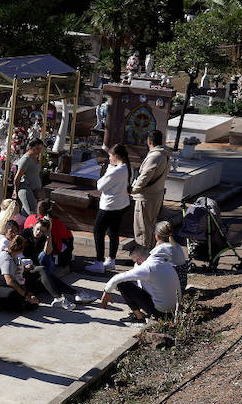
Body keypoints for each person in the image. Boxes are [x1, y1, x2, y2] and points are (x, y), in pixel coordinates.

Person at [99, 243, 180, 324]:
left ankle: (139, 317)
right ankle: (142, 313)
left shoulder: (147, 267)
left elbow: (117, 278)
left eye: (135, 261)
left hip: (160, 313)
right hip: (175, 309)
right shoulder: (163, 262)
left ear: (138, 259)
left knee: (122, 284)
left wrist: (107, 291)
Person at [87, 143, 131, 274]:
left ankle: (99, 262)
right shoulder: (127, 167)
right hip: (121, 204)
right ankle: (111, 259)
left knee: (98, 231)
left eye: (110, 156)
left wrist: (109, 168)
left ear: (116, 156)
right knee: (113, 232)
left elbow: (100, 185)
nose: (109, 159)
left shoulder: (117, 170)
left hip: (110, 206)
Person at [21, 217, 83, 309]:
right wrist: (25, 265)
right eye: (37, 229)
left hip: (37, 266)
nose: (38, 233)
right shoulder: (25, 234)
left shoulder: (44, 237)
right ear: (33, 227)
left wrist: (49, 236)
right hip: (26, 268)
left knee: (43, 260)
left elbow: (47, 253)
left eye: (42, 231)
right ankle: (64, 296)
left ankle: (73, 294)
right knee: (43, 272)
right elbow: (16, 254)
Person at [130, 130, 169, 249]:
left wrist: (133, 190)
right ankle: (149, 252)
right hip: (156, 194)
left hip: (146, 197)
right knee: (150, 226)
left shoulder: (155, 156)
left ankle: (143, 256)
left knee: (142, 228)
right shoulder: (164, 154)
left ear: (149, 141)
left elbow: (144, 177)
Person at [0, 234, 40, 311]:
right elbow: (9, 281)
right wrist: (26, 295)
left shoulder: (14, 257)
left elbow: (18, 276)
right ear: (21, 249)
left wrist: (27, 292)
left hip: (9, 285)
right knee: (19, 298)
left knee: (30, 291)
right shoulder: (6, 260)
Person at [24, 199, 74, 268]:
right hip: (46, 252)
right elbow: (66, 235)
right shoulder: (55, 222)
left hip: (31, 251)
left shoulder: (30, 218)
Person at [150, 219, 189, 292]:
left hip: (169, 287)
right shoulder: (177, 245)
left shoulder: (160, 249)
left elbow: (149, 265)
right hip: (181, 284)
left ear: (157, 236)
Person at [15, 139, 44, 216]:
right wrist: (16, 191)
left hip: (35, 190)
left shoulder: (35, 157)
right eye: (37, 149)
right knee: (31, 213)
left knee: (27, 212)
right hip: (27, 189)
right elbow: (17, 177)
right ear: (31, 147)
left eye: (41, 149)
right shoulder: (26, 159)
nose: (39, 151)